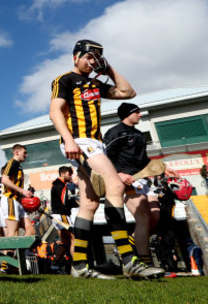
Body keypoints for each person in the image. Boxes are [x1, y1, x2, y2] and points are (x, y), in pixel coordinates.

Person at [49, 39, 163, 279]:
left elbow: (127, 91)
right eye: (89, 57)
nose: (92, 62)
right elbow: (54, 110)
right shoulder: (65, 80)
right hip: (79, 141)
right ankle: (129, 260)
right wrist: (68, 140)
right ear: (75, 57)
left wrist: (107, 68)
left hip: (93, 142)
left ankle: (79, 266)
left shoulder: (96, 83)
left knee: (89, 203)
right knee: (115, 185)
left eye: (96, 58)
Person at [104, 102, 178, 268]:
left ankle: (129, 243)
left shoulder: (139, 134)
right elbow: (103, 157)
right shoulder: (114, 132)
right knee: (143, 217)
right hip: (126, 180)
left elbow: (144, 160)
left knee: (155, 217)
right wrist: (118, 174)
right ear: (127, 114)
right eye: (136, 112)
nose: (140, 114)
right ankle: (147, 264)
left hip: (143, 179)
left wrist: (164, 168)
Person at [0, 145, 35, 238]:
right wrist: (22, 191)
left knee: (31, 231)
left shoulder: (18, 166)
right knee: (13, 234)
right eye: (24, 153)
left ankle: (21, 251)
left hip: (17, 202)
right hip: (10, 200)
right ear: (16, 152)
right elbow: (4, 180)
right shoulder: (12, 163)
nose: (26, 155)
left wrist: (24, 197)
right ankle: (9, 252)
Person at [49, 166, 79, 272]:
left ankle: (55, 265)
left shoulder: (57, 184)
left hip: (57, 215)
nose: (70, 176)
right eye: (69, 174)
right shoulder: (60, 185)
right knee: (74, 238)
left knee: (65, 241)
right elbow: (65, 202)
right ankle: (78, 265)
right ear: (62, 174)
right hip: (61, 215)